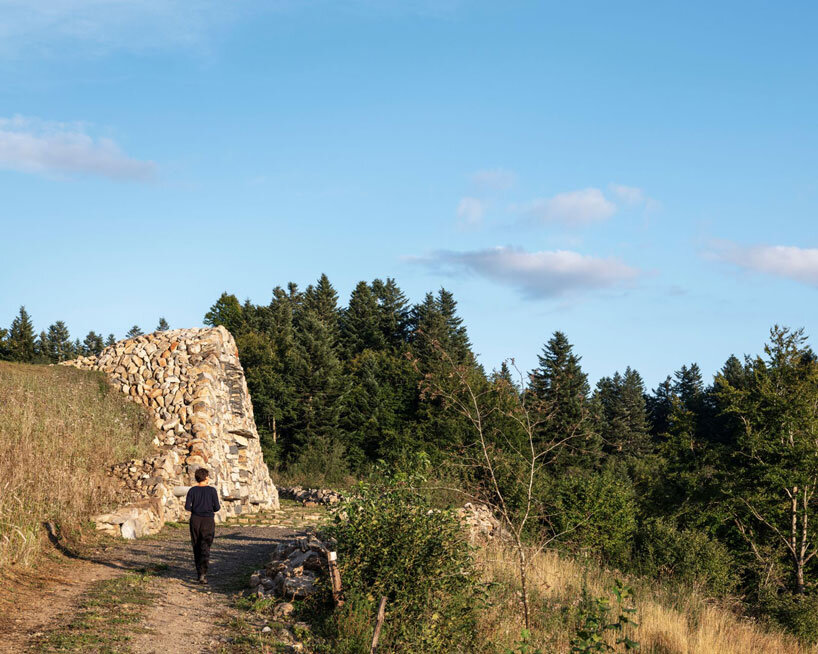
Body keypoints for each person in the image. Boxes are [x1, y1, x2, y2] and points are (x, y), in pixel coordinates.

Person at [184, 467, 220, 584]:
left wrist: (196, 508)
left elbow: (187, 507)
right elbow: (217, 507)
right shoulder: (212, 491)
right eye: (208, 476)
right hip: (208, 520)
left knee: (196, 545)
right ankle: (204, 574)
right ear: (205, 477)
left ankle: (199, 572)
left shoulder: (192, 490)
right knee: (205, 545)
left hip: (195, 520)